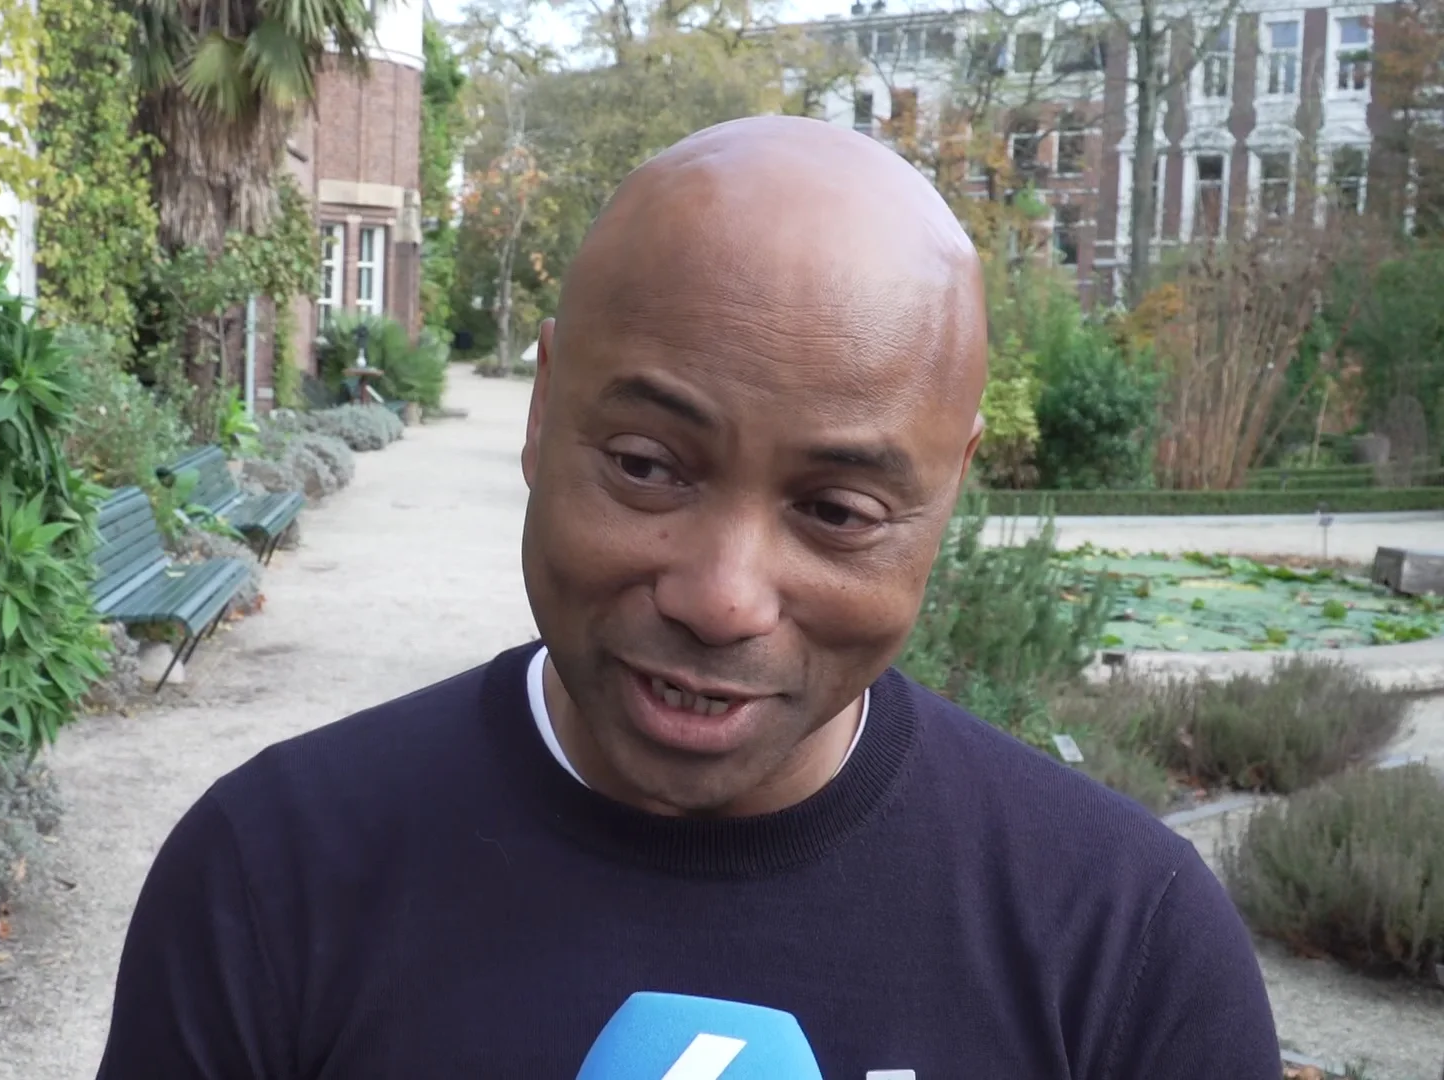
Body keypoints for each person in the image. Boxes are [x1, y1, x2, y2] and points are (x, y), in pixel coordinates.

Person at [95, 116, 1279, 1079]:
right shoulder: (270, 878)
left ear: (949, 492)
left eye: (838, 511)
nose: (722, 599)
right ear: (543, 410)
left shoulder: (1126, 950)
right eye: (647, 467)